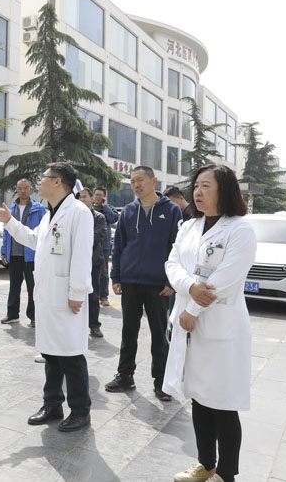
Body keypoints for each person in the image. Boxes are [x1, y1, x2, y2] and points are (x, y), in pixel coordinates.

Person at [165, 164, 255, 482]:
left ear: (224, 190)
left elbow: (225, 279)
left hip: (221, 328)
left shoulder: (240, 230)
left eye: (206, 186)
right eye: (196, 186)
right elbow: (172, 263)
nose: (198, 192)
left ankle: (226, 474)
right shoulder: (189, 226)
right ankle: (206, 464)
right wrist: (190, 287)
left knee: (223, 402)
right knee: (199, 397)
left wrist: (192, 309)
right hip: (191, 327)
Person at [0, 162, 94, 432]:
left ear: (57, 181)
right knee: (51, 353)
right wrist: (10, 222)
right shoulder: (50, 214)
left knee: (70, 355)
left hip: (67, 296)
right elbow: (33, 239)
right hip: (47, 295)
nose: (39, 182)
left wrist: (77, 292)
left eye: (44, 177)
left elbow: (82, 255)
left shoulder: (79, 213)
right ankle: (52, 404)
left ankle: (80, 410)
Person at [105, 166, 182, 401]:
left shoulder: (171, 210)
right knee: (128, 331)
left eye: (140, 180)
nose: (136, 185)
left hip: (158, 284)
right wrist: (116, 276)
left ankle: (162, 382)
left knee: (159, 334)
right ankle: (125, 375)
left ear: (153, 181)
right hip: (130, 281)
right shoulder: (129, 211)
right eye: (132, 182)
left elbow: (178, 249)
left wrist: (171, 280)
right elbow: (119, 246)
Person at [0, 179, 44, 327]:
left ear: (31, 190)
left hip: (31, 255)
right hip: (14, 254)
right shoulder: (11, 209)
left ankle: (34, 317)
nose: (23, 191)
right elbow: (6, 231)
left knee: (33, 287)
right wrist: (4, 251)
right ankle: (12, 314)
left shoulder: (38, 209)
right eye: (20, 188)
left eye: (25, 188)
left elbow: (42, 233)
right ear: (17, 190)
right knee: (14, 286)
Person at [76, 188, 107, 338]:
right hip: (75, 262)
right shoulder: (73, 216)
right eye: (79, 197)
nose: (82, 200)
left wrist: (77, 241)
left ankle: (94, 325)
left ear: (91, 198)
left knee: (93, 294)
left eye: (85, 197)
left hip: (93, 261)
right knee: (75, 292)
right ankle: (76, 325)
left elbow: (97, 236)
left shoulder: (99, 217)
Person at [92, 187, 119, 307]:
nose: (98, 197)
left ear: (104, 197)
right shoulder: (89, 208)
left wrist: (105, 206)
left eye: (100, 195)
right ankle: (92, 295)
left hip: (103, 245)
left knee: (103, 272)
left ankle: (103, 296)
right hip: (90, 244)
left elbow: (112, 219)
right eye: (96, 195)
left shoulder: (109, 208)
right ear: (93, 196)